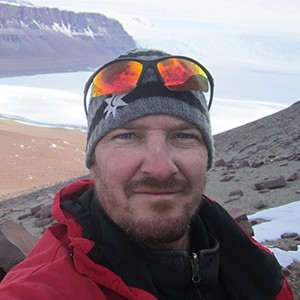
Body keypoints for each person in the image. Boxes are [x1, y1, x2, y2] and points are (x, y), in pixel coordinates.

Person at [0, 49, 293, 299]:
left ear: (207, 156)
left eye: (183, 136)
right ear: (93, 161)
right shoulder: (37, 290)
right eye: (127, 137)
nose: (160, 167)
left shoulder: (256, 267)